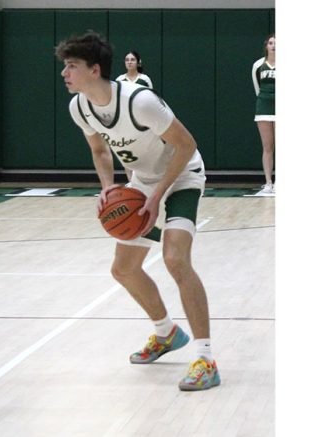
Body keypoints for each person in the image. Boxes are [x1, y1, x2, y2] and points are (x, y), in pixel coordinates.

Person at [55, 31, 220, 391]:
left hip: (182, 174)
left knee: (175, 259)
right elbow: (99, 151)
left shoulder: (139, 101)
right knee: (123, 269)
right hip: (143, 180)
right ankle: (166, 333)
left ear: (94, 69)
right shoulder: (80, 107)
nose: (64, 73)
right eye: (65, 66)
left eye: (72, 66)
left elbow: (186, 145)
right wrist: (108, 188)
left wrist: (157, 195)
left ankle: (206, 360)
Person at [252, 34, 276, 195]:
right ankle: (268, 183)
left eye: (277, 43)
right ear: (266, 46)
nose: (274, 46)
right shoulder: (258, 65)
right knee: (267, 147)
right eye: (271, 43)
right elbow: (257, 87)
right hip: (264, 108)